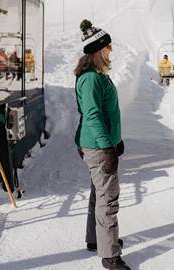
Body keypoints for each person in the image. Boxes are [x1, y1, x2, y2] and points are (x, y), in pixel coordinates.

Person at [73, 19, 130, 270]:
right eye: (107, 47)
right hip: (98, 147)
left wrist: (116, 141)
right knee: (108, 199)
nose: (111, 50)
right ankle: (109, 256)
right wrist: (108, 147)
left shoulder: (96, 77)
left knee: (100, 194)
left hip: (101, 144)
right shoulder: (91, 80)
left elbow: (100, 114)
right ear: (97, 51)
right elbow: (92, 115)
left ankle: (97, 240)